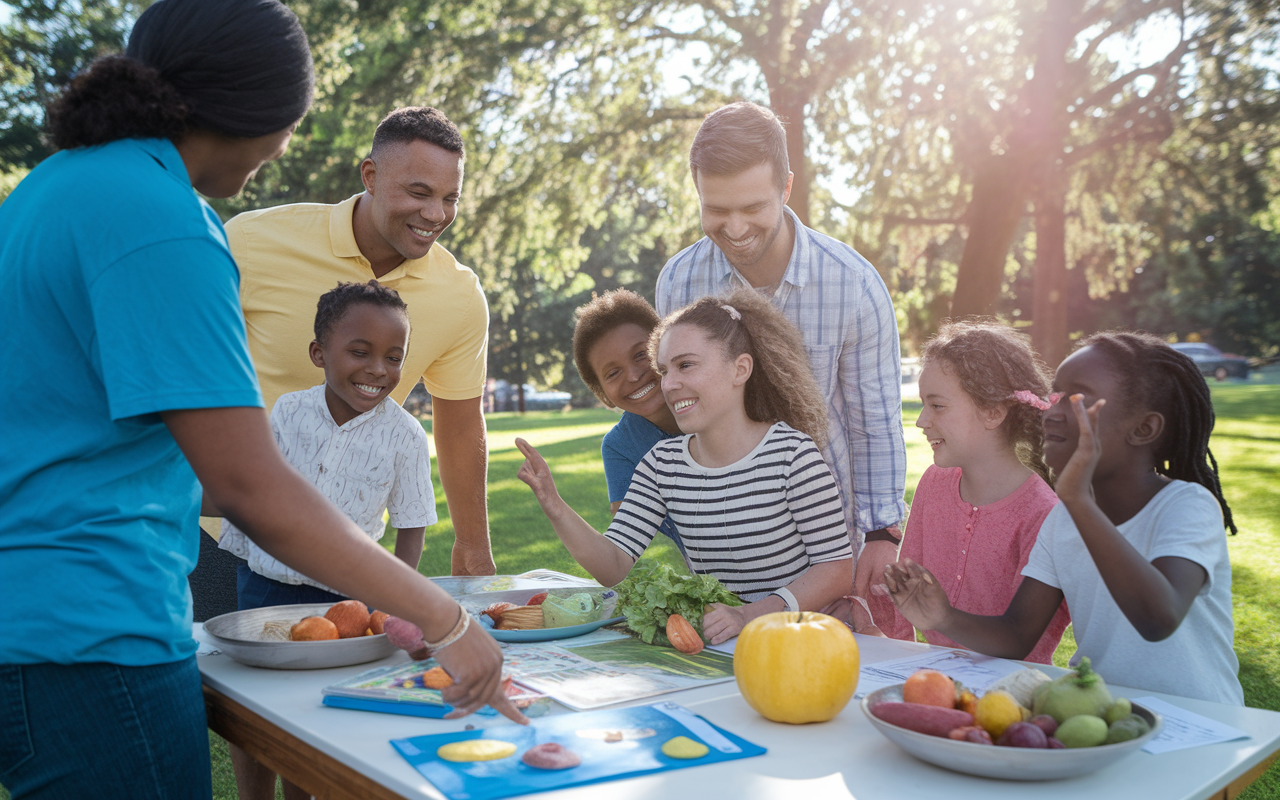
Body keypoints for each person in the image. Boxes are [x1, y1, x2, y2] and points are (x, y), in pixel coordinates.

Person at [0, 3, 522, 798]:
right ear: (261, 114)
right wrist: (444, 618)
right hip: (88, 630)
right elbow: (249, 484)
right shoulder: (167, 220)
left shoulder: (55, 187)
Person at [884, 331, 1244, 704]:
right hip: (1105, 714)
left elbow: (1159, 617)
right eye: (1055, 396)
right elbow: (1016, 635)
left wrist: (1077, 500)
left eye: (1077, 399)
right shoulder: (1064, 522)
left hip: (1205, 720)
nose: (1052, 410)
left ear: (1143, 429)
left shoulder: (1187, 506)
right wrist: (943, 617)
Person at [653, 101, 906, 627]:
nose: (735, 226)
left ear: (786, 188)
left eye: (753, 206)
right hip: (722, 548)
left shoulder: (852, 284)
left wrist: (884, 532)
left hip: (831, 550)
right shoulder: (678, 282)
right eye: (716, 209)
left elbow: (874, 420)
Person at [220, 105, 495, 576]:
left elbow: (461, 426)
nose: (436, 214)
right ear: (370, 175)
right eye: (418, 192)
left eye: (450, 198)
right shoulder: (251, 241)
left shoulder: (460, 295)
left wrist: (472, 547)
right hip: (225, 533)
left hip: (350, 543)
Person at [517, 289, 854, 644]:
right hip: (723, 646)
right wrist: (554, 506)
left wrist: (748, 615)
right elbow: (613, 565)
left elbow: (836, 569)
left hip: (804, 639)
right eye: (664, 370)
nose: (669, 383)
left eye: (686, 365)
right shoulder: (661, 465)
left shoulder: (793, 455)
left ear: (740, 369)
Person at [217, 280, 436, 800]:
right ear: (320, 353)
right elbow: (256, 492)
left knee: (312, 716)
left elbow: (412, 521)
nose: (377, 369)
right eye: (360, 352)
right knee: (254, 711)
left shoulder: (404, 435)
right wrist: (246, 561)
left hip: (343, 603)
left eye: (393, 356)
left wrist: (400, 605)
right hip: (265, 589)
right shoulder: (288, 412)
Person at [880, 322, 1070, 663]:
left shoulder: (1044, 514)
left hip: (1013, 698)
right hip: (933, 678)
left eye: (937, 406)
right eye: (923, 404)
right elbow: (906, 598)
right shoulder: (934, 484)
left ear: (992, 412)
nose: (922, 420)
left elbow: (1024, 641)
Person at [572, 289, 687, 562]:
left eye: (640, 355)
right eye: (613, 373)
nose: (634, 376)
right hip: (716, 591)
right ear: (601, 393)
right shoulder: (621, 447)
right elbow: (620, 550)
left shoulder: (717, 407)